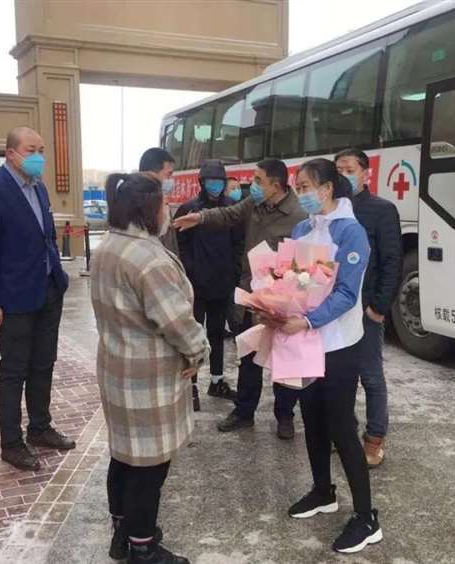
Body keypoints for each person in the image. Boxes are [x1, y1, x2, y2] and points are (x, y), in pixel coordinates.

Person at [91, 171, 209, 564]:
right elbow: (176, 321)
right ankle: (142, 546)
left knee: (124, 456)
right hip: (148, 377)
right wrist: (199, 352)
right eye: (165, 202)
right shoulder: (147, 258)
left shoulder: (109, 245)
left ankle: (122, 531)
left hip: (117, 367)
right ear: (148, 208)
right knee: (149, 466)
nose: (168, 209)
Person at [282, 158, 382, 554]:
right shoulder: (301, 229)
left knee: (341, 426)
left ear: (327, 189)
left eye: (306, 187)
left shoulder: (351, 232)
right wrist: (277, 306)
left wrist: (307, 320)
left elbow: (346, 294)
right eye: (297, 187)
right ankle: (323, 491)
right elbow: (293, 281)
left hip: (339, 344)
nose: (301, 193)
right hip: (305, 342)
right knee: (312, 418)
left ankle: (367, 517)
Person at [173, 158, 307, 439]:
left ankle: (285, 415)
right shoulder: (253, 204)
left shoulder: (299, 215)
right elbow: (227, 214)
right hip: (252, 295)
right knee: (249, 356)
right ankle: (244, 412)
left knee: (284, 358)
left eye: (258, 181)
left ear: (275, 185)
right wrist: (199, 217)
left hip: (283, 299)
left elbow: (306, 261)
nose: (252, 185)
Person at [0, 126, 75, 472]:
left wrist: (59, 277)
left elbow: (47, 238)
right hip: (14, 298)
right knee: (14, 371)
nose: (38, 157)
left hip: (48, 290)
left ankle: (40, 428)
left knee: (44, 363)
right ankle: (12, 443)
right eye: (31, 150)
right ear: (10, 153)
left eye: (41, 150)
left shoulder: (39, 188)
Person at [335, 149, 402, 467]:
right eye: (338, 170)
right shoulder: (331, 211)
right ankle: (344, 433)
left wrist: (378, 307)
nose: (343, 175)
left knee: (371, 376)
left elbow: (392, 261)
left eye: (349, 169)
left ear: (366, 173)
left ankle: (374, 439)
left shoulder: (381, 210)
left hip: (364, 310)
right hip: (335, 308)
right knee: (339, 376)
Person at [174, 160, 242, 401]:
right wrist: (190, 270)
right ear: (202, 182)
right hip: (195, 285)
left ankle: (217, 381)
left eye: (219, 181)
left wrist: (234, 273)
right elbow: (180, 244)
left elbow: (238, 243)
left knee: (217, 333)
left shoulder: (232, 208)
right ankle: (190, 386)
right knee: (192, 336)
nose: (215, 185)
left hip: (222, 283)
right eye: (211, 181)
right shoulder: (188, 209)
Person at [139, 147, 179, 255]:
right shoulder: (139, 205)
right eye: (169, 174)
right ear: (152, 174)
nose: (171, 180)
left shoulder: (162, 201)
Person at [223, 177, 244, 337]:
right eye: (233, 188)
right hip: (228, 268)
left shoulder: (246, 210)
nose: (237, 191)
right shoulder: (225, 213)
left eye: (239, 188)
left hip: (242, 266)